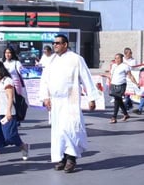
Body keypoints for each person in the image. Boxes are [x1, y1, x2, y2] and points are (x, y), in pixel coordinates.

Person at [38, 34, 99, 173]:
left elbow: (86, 78)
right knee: (58, 131)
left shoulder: (76, 59)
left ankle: (71, 158)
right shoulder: (51, 60)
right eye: (54, 43)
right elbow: (44, 80)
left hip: (70, 100)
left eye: (58, 43)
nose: (55, 45)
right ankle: (62, 158)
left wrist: (91, 98)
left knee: (70, 129)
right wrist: (45, 97)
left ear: (65, 44)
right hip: (55, 101)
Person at [0, 61, 30, 163]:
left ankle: (23, 146)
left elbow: (10, 98)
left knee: (10, 135)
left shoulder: (7, 81)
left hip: (7, 113)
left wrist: (8, 111)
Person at [108, 53, 136, 123]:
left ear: (122, 59)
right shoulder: (114, 66)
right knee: (119, 100)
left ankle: (114, 117)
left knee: (117, 100)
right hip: (114, 84)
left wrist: (136, 83)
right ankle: (126, 114)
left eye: (118, 58)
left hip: (121, 85)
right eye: (115, 58)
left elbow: (130, 76)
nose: (116, 60)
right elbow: (111, 75)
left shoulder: (125, 66)